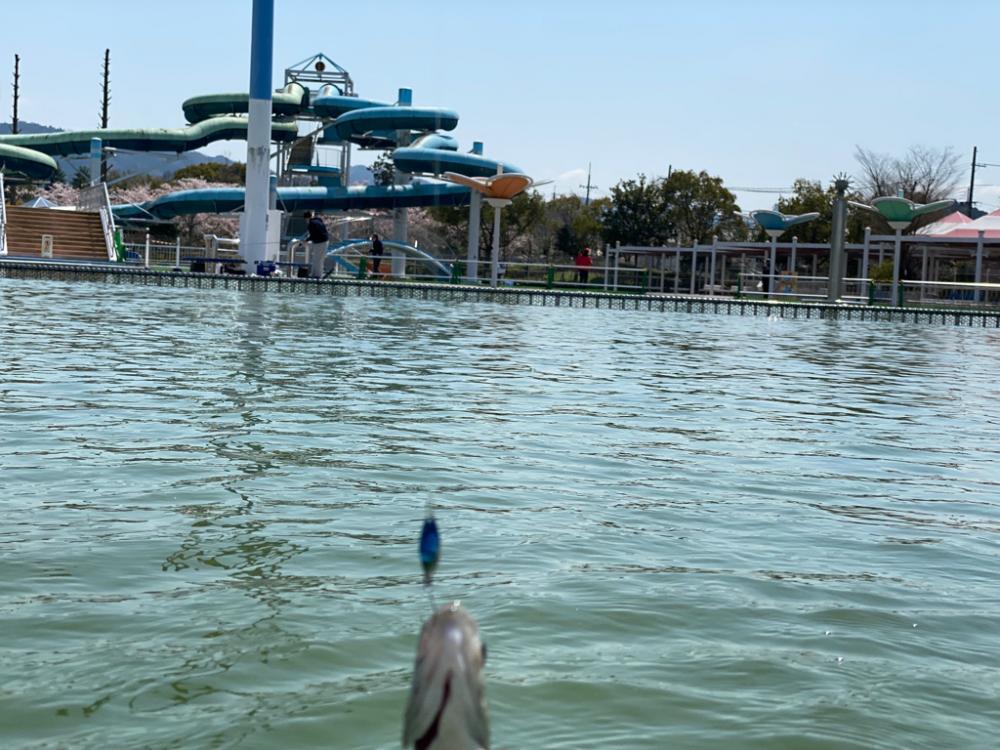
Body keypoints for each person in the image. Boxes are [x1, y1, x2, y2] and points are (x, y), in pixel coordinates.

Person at [304, 211, 329, 278]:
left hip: (320, 243)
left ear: (306, 218)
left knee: (317, 259)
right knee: (318, 259)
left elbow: (313, 235)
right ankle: (314, 274)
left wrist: (306, 240)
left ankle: (317, 275)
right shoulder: (318, 220)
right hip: (325, 241)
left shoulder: (311, 224)